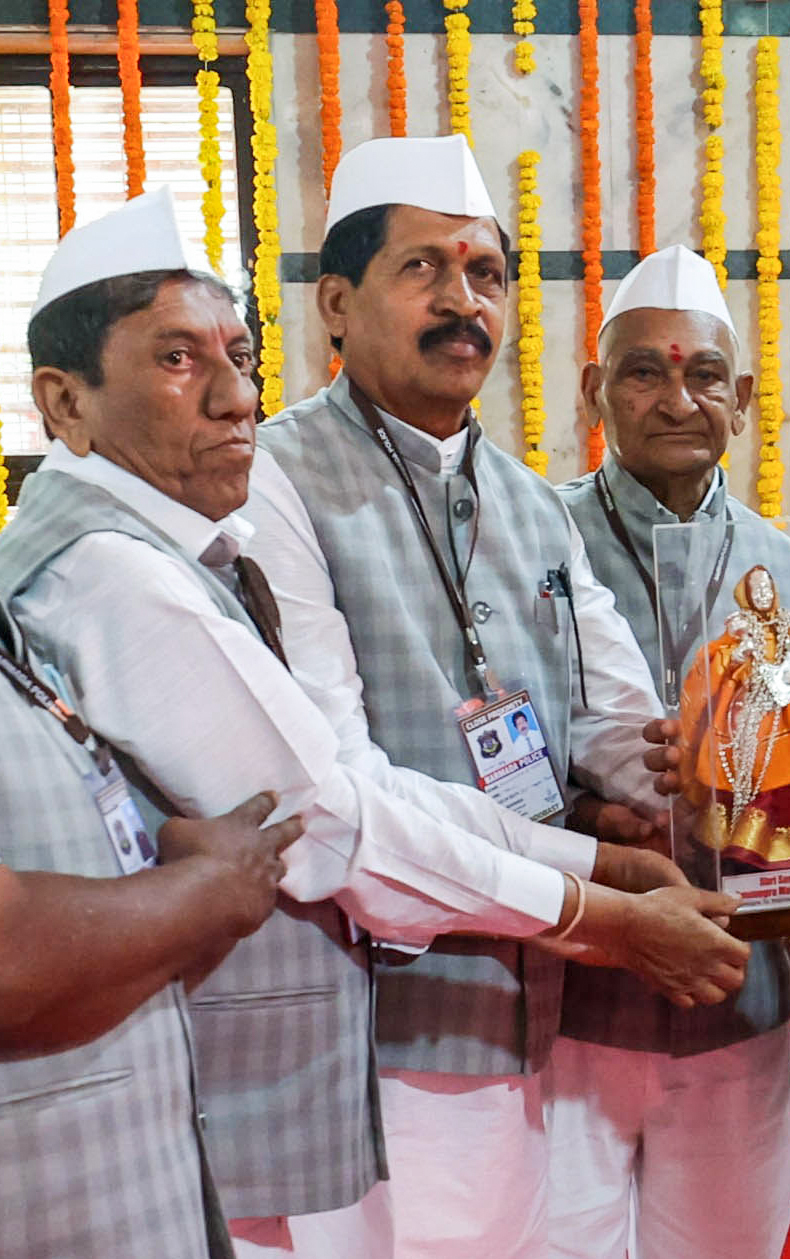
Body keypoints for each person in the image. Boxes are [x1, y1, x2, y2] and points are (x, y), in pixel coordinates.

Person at [0, 188, 743, 1258]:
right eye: (175, 360)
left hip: (472, 985)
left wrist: (610, 839)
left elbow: (359, 785)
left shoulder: (522, 498)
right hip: (325, 1035)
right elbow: (334, 820)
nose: (230, 396)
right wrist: (599, 908)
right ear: (64, 404)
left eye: (237, 355)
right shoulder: (125, 568)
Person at [241, 139, 750, 1259]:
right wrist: (599, 877)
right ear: (336, 302)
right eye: (423, 269)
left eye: (485, 273)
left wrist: (698, 772)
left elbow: (614, 714)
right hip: (357, 1016)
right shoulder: (272, 480)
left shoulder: (528, 501)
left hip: (525, 1016)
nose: (461, 301)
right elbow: (337, 789)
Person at [548, 244, 790, 1259]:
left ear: (739, 399)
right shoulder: (536, 535)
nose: (676, 398)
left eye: (704, 375)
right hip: (576, 992)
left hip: (738, 994)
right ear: (595, 391)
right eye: (644, 372)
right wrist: (590, 811)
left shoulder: (782, 558)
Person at [0, 605, 300, 1258]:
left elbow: (122, 964)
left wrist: (201, 900)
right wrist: (205, 892)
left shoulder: (15, 640)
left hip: (134, 1195)